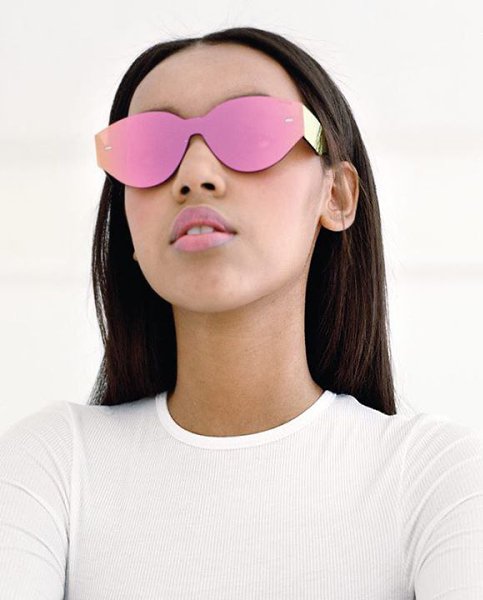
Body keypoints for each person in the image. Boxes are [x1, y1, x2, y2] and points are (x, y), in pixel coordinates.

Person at [1, 26, 482, 599]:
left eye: (252, 131)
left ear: (336, 196)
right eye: (149, 147)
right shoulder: (51, 467)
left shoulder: (436, 478)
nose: (194, 175)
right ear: (126, 222)